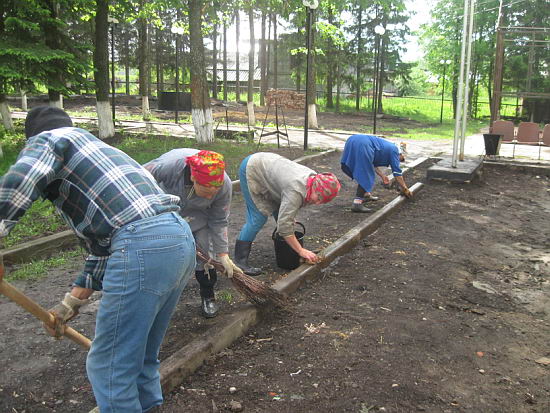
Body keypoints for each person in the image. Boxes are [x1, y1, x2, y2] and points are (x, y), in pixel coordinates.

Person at [0, 106, 196, 412]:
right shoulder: (102, 152)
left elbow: (21, 180)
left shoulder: (50, 139)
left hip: (143, 245)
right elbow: (109, 245)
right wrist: (69, 306)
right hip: (177, 237)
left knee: (109, 367)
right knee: (142, 356)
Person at [144, 149, 240, 318]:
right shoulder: (170, 167)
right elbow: (138, 178)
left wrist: (223, 254)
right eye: (207, 191)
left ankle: (208, 295)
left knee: (206, 256)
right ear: (193, 178)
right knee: (166, 255)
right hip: (167, 211)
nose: (211, 195)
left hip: (199, 216)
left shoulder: (224, 184)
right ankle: (158, 299)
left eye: (214, 192)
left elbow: (219, 220)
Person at [235, 152, 341, 276]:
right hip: (253, 168)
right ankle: (240, 262)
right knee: (258, 218)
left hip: (268, 166)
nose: (317, 202)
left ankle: (286, 247)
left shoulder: (314, 181)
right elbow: (285, 226)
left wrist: (287, 217)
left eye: (321, 201)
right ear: (315, 187)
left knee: (282, 214)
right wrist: (300, 250)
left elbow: (285, 207)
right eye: (318, 197)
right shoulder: (296, 190)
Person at [341, 134, 412, 213]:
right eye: (402, 159)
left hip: (353, 140)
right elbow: (397, 173)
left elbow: (371, 163)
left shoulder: (388, 147)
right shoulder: (395, 151)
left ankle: (366, 195)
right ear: (401, 153)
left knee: (364, 170)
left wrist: (383, 176)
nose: (400, 161)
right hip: (363, 143)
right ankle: (357, 204)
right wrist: (405, 189)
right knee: (366, 174)